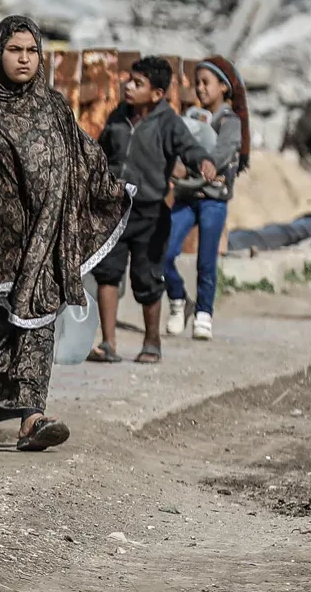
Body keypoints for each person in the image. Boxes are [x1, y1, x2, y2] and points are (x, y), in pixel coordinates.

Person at [0, 15, 133, 452]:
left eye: (32, 51)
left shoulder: (51, 105)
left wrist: (113, 191)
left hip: (41, 245)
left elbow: (81, 155)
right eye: (16, 50)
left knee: (36, 327)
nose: (25, 59)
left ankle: (32, 420)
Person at [88, 56, 216, 364]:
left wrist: (202, 161)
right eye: (129, 80)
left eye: (138, 84)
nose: (128, 87)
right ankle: (108, 342)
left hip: (150, 213)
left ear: (157, 94)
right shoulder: (119, 116)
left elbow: (189, 148)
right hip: (115, 210)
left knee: (148, 279)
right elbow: (102, 152)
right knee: (107, 274)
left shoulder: (169, 121)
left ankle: (151, 340)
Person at [163, 56, 249, 341]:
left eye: (206, 83)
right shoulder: (192, 118)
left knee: (206, 259)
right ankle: (178, 301)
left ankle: (204, 313)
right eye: (196, 83)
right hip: (187, 196)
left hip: (214, 199)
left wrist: (208, 163)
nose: (200, 88)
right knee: (164, 252)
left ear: (223, 88)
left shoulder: (230, 121)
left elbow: (225, 150)